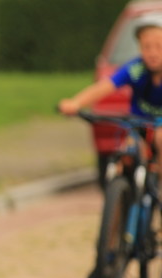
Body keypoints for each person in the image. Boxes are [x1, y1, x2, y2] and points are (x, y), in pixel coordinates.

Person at [59, 12, 162, 172]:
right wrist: (76, 102)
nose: (152, 53)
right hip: (138, 123)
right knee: (127, 155)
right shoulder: (135, 69)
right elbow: (104, 87)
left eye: (159, 46)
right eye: (146, 47)